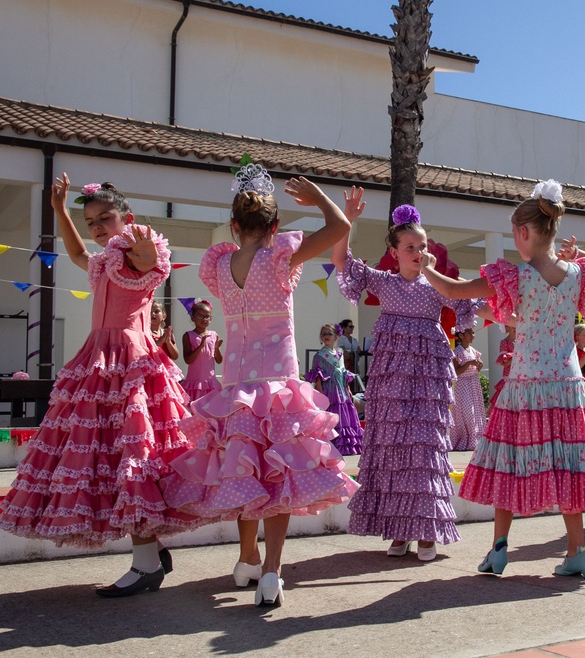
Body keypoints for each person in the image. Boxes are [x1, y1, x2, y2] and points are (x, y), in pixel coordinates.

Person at [163, 165, 361, 607]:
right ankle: (271, 571)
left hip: (236, 384)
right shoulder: (280, 258)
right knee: (281, 475)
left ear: (235, 225)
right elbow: (339, 227)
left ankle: (246, 559)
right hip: (276, 383)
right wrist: (319, 198)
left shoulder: (221, 263)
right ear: (276, 226)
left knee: (244, 469)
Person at [0, 175, 206, 596]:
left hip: (128, 363)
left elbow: (149, 265)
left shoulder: (133, 254)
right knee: (109, 458)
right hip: (100, 359)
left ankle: (147, 563)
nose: (96, 226)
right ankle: (152, 555)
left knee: (129, 458)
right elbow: (76, 252)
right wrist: (59, 210)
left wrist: (145, 252)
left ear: (125, 219)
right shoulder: (103, 260)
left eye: (104, 218)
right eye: (91, 220)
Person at [421, 179, 585, 579]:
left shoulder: (515, 277)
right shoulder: (577, 275)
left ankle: (499, 549)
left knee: (509, 464)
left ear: (522, 233)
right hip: (568, 387)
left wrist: (427, 269)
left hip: (525, 385)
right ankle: (578, 551)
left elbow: (455, 289)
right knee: (571, 467)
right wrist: (578, 252)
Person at [334, 202, 484, 563]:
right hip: (390, 384)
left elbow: (471, 299)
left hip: (427, 382)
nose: (419, 253)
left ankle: (427, 532)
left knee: (424, 452)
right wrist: (347, 222)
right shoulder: (382, 282)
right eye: (411, 248)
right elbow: (342, 260)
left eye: (423, 247)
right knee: (392, 453)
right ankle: (399, 529)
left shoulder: (436, 285)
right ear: (394, 252)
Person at [305, 323, 364, 455]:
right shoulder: (319, 356)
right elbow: (317, 377)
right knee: (333, 414)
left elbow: (343, 373)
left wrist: (348, 388)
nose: (326, 336)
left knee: (345, 415)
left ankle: (347, 445)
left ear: (336, 337)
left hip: (341, 390)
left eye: (329, 334)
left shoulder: (339, 354)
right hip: (329, 391)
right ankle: (333, 444)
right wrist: (321, 394)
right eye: (323, 334)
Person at [450, 327, 486, 451]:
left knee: (476, 411)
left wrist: (478, 365)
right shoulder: (457, 352)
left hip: (473, 383)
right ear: (461, 335)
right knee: (466, 412)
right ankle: (465, 438)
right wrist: (469, 364)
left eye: (473, 332)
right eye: (470, 333)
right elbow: (455, 372)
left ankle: (476, 438)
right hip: (463, 385)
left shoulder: (473, 351)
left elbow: (476, 368)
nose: (473, 335)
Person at [179, 300, 223, 403]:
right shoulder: (188, 335)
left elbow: (219, 360)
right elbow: (188, 360)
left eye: (207, 316)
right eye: (200, 316)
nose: (204, 319)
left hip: (210, 384)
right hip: (195, 383)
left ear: (210, 319)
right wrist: (200, 347)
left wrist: (216, 348)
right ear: (193, 318)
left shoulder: (214, 335)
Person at [491, 324, 516, 409]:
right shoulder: (504, 342)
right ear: (506, 328)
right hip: (510, 376)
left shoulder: (522, 341)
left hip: (522, 375)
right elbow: (504, 363)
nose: (515, 327)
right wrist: (517, 357)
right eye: (512, 325)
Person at [337, 318, 362, 390]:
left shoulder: (354, 340)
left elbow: (359, 350)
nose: (352, 328)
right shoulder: (341, 339)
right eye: (350, 327)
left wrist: (353, 354)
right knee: (346, 382)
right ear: (344, 328)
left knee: (355, 383)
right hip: (346, 364)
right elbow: (343, 351)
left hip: (354, 364)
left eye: (352, 327)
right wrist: (353, 355)